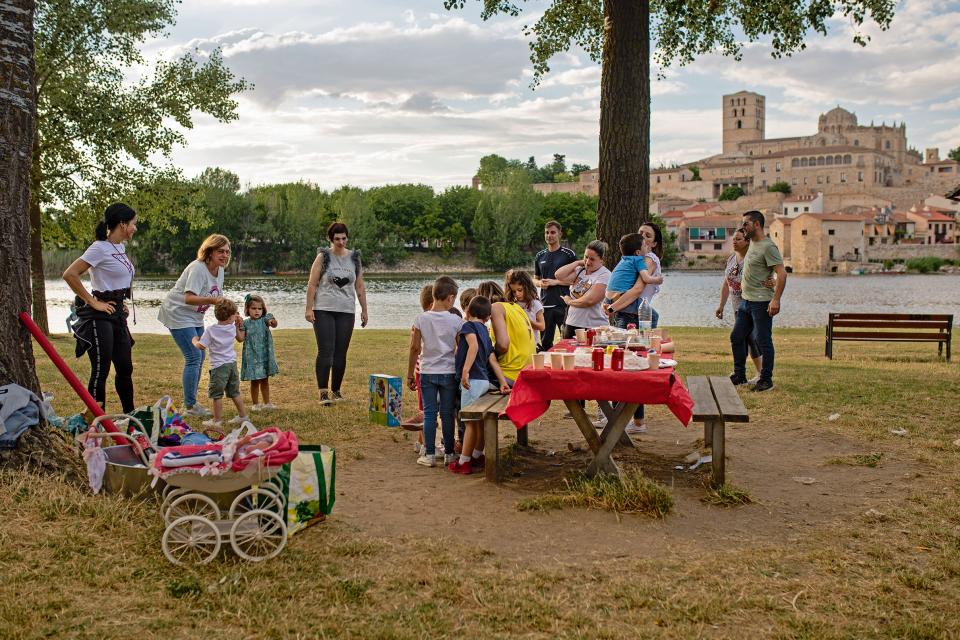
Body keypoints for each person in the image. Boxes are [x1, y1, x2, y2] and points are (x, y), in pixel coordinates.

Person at [63, 203, 138, 413]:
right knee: (101, 370)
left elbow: (116, 280)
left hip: (116, 314)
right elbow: (70, 274)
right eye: (133, 224)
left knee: (125, 368)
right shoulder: (98, 247)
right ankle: (95, 424)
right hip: (98, 317)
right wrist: (93, 301)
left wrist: (122, 304)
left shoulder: (120, 248)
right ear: (122, 224)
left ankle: (131, 419)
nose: (135, 228)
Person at [159, 234, 231, 416]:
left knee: (200, 353)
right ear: (210, 251)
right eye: (220, 251)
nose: (225, 255)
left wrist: (232, 315)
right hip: (178, 314)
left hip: (195, 317)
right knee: (193, 356)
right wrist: (213, 301)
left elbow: (217, 298)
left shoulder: (220, 270)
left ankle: (192, 403)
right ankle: (190, 406)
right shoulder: (198, 268)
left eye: (227, 252)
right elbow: (188, 297)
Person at [604, 223, 666, 433]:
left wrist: (612, 306)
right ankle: (626, 419)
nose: (642, 237)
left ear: (654, 243)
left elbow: (639, 289)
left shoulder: (648, 259)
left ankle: (624, 420)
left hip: (635, 316)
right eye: (640, 233)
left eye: (647, 236)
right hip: (631, 312)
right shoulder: (635, 259)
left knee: (626, 367)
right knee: (629, 367)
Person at [305, 222, 369, 406]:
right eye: (337, 239)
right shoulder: (323, 257)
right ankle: (323, 393)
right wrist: (309, 308)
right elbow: (312, 284)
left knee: (341, 353)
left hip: (346, 310)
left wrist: (364, 310)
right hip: (323, 308)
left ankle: (336, 391)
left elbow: (360, 286)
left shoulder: (354, 258)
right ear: (330, 239)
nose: (341, 242)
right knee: (326, 351)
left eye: (344, 238)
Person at [449, 296, 511, 474]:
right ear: (487, 317)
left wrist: (466, 370)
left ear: (467, 312)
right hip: (483, 380)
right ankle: (477, 455)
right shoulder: (484, 330)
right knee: (479, 423)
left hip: (473, 381)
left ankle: (464, 462)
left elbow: (473, 346)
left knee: (469, 423)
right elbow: (492, 359)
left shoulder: (467, 326)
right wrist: (501, 382)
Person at [407, 276, 463, 467]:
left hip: (427, 372)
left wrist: (409, 374)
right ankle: (449, 453)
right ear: (450, 298)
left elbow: (415, 348)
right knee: (447, 413)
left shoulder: (421, 319)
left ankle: (429, 454)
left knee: (430, 413)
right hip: (448, 371)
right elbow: (459, 349)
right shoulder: (456, 321)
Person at [731, 210, 787, 392]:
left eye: (746, 223)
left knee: (763, 340)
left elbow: (782, 273)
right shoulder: (753, 244)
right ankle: (739, 375)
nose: (742, 227)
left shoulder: (768, 246)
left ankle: (766, 380)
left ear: (756, 224)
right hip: (746, 302)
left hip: (762, 302)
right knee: (737, 336)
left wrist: (776, 299)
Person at [191, 298, 250, 427]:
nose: (237, 315)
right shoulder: (232, 327)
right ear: (230, 317)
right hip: (232, 365)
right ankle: (243, 416)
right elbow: (241, 338)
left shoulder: (211, 330)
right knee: (235, 392)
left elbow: (201, 346)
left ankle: (217, 421)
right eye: (235, 313)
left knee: (217, 395)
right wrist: (239, 325)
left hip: (218, 367)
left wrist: (194, 340)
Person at [716, 230, 763, 382]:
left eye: (738, 239)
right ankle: (743, 374)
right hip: (737, 307)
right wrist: (721, 305)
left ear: (748, 241)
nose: (734, 242)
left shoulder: (752, 259)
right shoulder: (731, 259)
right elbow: (726, 283)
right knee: (743, 339)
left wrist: (772, 282)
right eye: (733, 239)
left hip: (751, 306)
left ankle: (755, 373)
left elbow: (768, 276)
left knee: (748, 338)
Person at [476, 280, 535, 384]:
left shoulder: (495, 307)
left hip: (511, 373)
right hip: (528, 369)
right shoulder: (516, 307)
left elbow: (503, 345)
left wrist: (492, 354)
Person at [604, 228, 664, 329]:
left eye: (647, 236)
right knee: (653, 316)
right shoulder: (639, 260)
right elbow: (645, 279)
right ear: (637, 252)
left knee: (621, 330)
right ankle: (648, 338)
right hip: (624, 300)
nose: (643, 238)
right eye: (644, 245)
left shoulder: (623, 260)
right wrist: (658, 280)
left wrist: (609, 305)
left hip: (610, 298)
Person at [533, 220, 577, 351]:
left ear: (560, 234)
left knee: (568, 340)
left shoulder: (569, 254)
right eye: (546, 232)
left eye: (553, 232)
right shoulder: (540, 255)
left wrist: (556, 282)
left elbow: (577, 280)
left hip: (563, 304)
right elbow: (535, 279)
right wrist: (539, 283)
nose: (549, 235)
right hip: (545, 305)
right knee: (546, 343)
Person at [555, 240, 611, 339]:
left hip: (594, 326)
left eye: (592, 259)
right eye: (586, 257)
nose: (588, 262)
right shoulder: (580, 270)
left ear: (602, 260)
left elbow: (589, 301)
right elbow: (559, 275)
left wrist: (569, 302)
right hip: (572, 323)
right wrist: (577, 262)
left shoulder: (605, 274)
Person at [240, 294, 279, 411]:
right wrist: (237, 326)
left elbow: (274, 323)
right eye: (253, 308)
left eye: (259, 308)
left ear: (263, 309)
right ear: (247, 309)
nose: (257, 311)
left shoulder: (265, 319)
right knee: (255, 382)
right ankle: (255, 404)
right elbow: (240, 338)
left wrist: (273, 322)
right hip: (252, 356)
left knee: (265, 380)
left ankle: (267, 403)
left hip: (264, 356)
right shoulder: (245, 323)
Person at [506, 269, 545, 343]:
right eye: (514, 291)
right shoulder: (512, 304)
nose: (517, 294)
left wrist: (526, 321)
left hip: (531, 344)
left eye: (520, 290)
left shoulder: (535, 304)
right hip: (516, 344)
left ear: (527, 287)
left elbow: (542, 326)